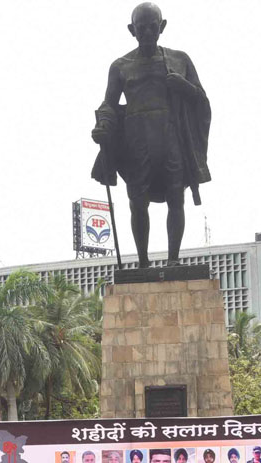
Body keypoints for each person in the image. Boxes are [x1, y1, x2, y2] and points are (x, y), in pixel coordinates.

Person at [90, 2, 210, 265]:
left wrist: (184, 86)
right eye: (141, 28)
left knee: (176, 197)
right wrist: (104, 125)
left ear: (162, 27)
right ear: (131, 29)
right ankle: (143, 262)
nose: (146, 32)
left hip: (170, 135)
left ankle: (173, 260)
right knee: (137, 201)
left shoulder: (179, 59)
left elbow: (202, 100)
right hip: (136, 140)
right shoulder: (120, 66)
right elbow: (109, 104)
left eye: (152, 27)